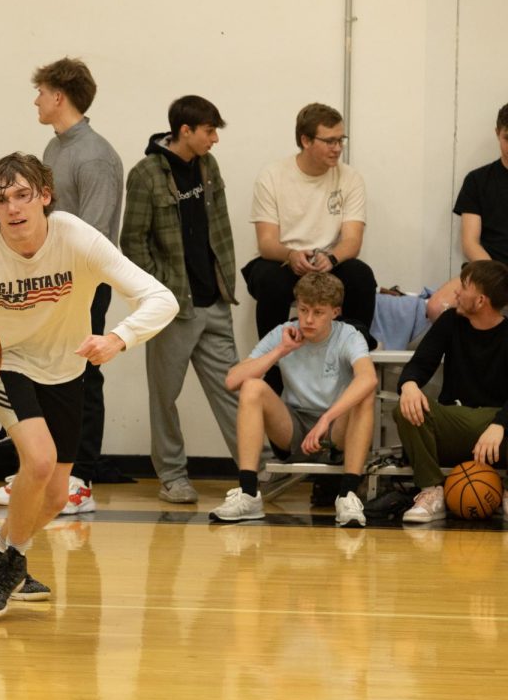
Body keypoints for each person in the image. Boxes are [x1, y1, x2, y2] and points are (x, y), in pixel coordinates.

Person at [0, 153, 177, 617]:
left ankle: (1, 544)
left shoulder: (76, 237)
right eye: (1, 199)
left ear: (45, 197)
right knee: (41, 459)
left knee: (55, 494)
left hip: (68, 367)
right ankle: (11, 567)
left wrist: (119, 338)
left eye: (23, 195)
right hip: (5, 361)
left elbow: (160, 298)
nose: (13, 208)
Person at [0, 57, 124, 514]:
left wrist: (66, 278)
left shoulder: (96, 155)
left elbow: (97, 235)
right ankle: (41, 472)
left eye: (41, 92)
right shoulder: (53, 149)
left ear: (59, 96)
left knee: (83, 372)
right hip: (44, 283)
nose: (36, 100)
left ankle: (79, 478)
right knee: (42, 372)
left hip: (81, 286)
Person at [120, 95, 243, 504]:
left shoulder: (209, 167)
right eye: (209, 131)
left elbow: (220, 228)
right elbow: (132, 242)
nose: (215, 139)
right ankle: (173, 476)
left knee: (233, 391)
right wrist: (160, 292)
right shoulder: (145, 175)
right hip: (172, 308)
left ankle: (254, 472)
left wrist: (224, 281)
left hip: (215, 302)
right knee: (164, 396)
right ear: (185, 131)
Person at [210, 273, 376, 527]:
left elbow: (368, 379)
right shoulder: (283, 334)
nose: (308, 319)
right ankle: (248, 493)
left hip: (336, 429)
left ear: (335, 312)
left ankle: (348, 495)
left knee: (364, 394)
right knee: (252, 386)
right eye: (303, 310)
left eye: (318, 312)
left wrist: (326, 419)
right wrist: (281, 350)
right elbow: (232, 380)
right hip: (294, 427)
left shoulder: (348, 335)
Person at [242, 103, 376, 375]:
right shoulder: (273, 176)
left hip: (328, 260)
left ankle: (353, 356)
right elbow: (266, 242)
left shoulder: (350, 178)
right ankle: (272, 367)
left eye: (341, 140)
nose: (337, 148)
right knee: (270, 280)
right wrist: (291, 256)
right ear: (305, 140)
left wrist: (332, 257)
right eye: (329, 141)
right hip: (284, 260)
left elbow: (352, 240)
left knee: (361, 275)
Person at [393, 260, 508, 523]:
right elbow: (419, 364)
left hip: (496, 431)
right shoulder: (449, 321)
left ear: (480, 301)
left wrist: (500, 425)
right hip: (454, 423)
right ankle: (431, 491)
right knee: (407, 407)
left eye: (463, 286)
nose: (455, 292)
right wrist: (409, 385)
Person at [456, 104, 508, 264]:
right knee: (447, 289)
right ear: (497, 133)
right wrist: (496, 278)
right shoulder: (477, 180)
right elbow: (470, 244)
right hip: (489, 274)